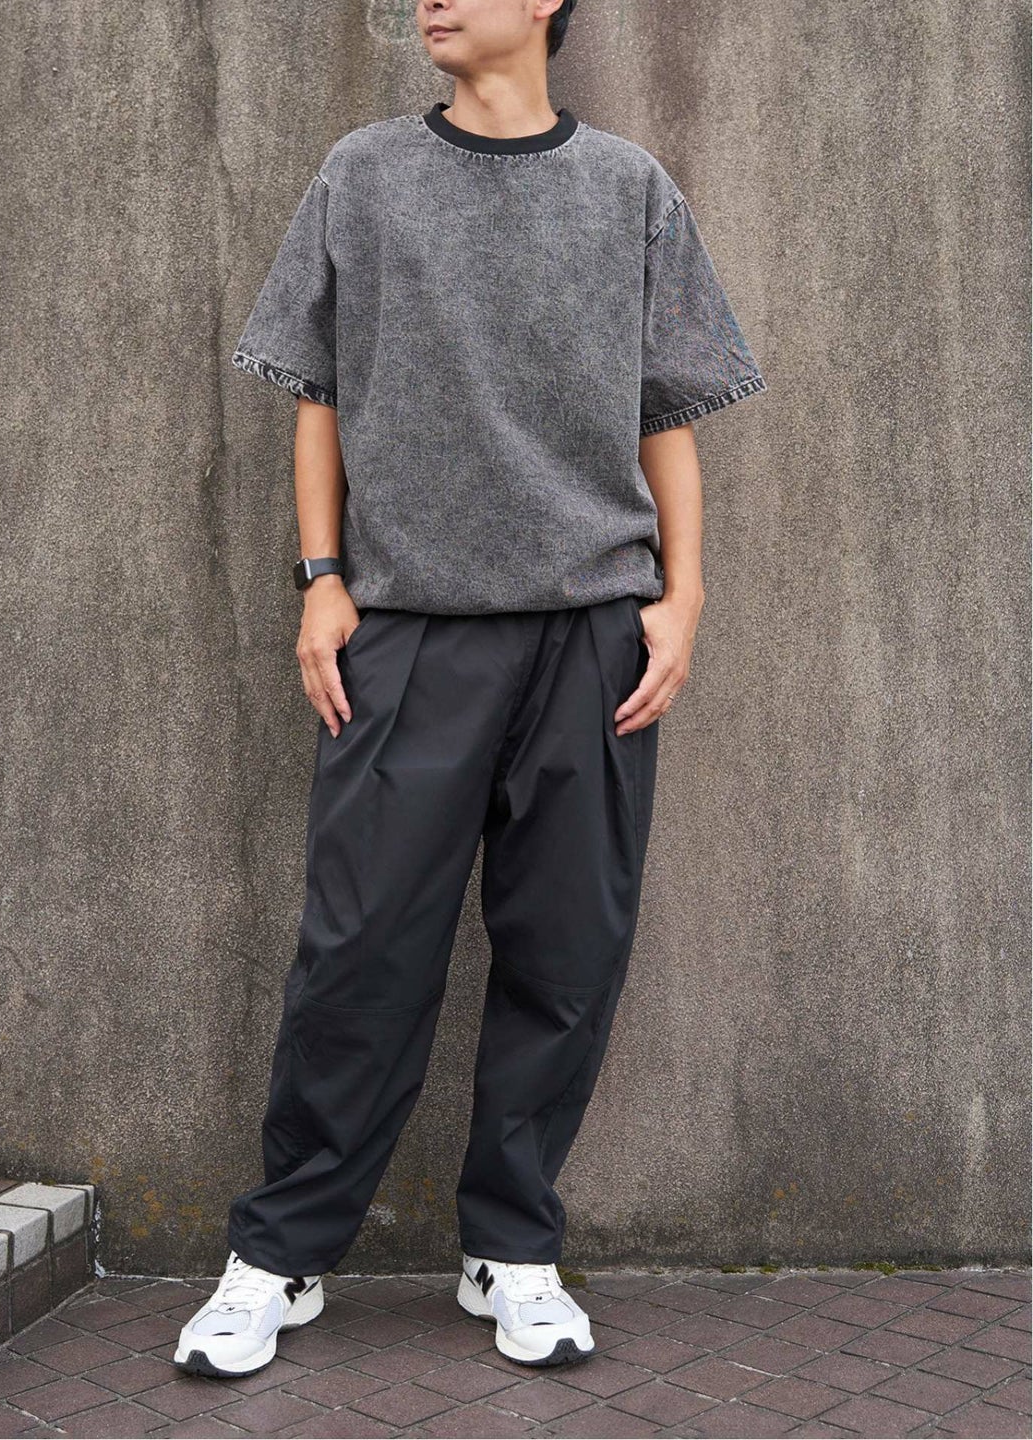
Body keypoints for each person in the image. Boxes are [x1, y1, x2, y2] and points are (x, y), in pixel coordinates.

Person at [176, 0, 766, 1380]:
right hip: (409, 630)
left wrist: (682, 600)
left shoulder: (627, 188)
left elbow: (666, 409)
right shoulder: (365, 173)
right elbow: (317, 389)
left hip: (591, 635)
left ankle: (512, 1247)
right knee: (361, 952)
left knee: (566, 955)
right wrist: (322, 576)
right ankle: (281, 1254)